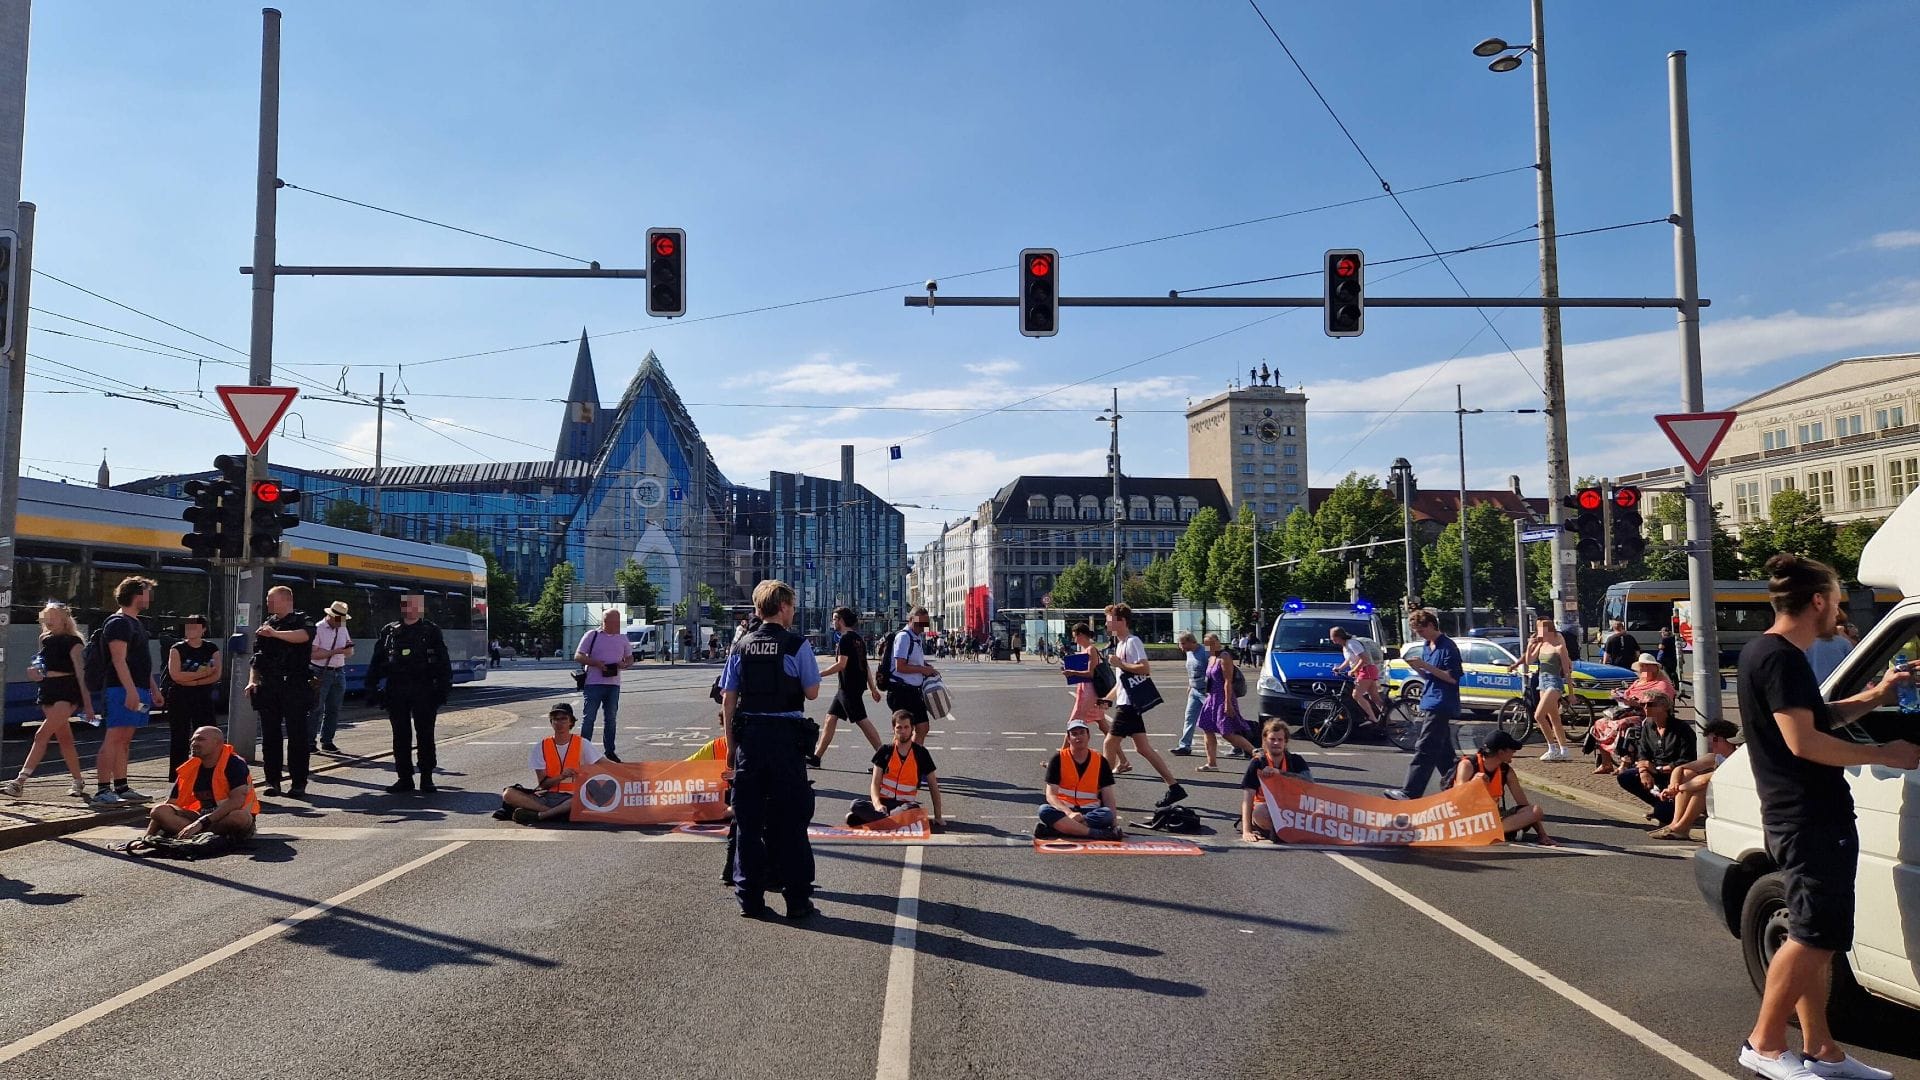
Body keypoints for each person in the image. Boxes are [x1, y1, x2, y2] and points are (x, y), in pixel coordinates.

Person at [1735, 554, 1915, 1080]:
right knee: (1815, 935)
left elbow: (1817, 718)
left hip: (1801, 814)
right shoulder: (1781, 658)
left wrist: (1875, 696)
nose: (1839, 608)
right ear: (1818, 601)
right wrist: (1886, 754)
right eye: (1836, 598)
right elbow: (1805, 741)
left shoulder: (1768, 654)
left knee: (1816, 937)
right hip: (1808, 815)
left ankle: (1822, 1050)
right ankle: (1764, 1043)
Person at [719, 580, 823, 920]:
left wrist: (732, 747)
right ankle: (797, 900)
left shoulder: (741, 646)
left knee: (748, 822)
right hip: (784, 740)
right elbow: (811, 692)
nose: (793, 612)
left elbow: (728, 699)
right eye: (791, 606)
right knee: (791, 821)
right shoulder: (796, 645)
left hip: (750, 739)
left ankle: (750, 898)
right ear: (782, 607)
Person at [1101, 604, 1188, 808]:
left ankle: (1102, 792)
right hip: (1126, 703)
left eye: (1109, 620)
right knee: (1143, 748)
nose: (1106, 624)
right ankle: (1174, 787)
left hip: (1129, 706)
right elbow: (1123, 681)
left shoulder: (1132, 642)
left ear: (1121, 621)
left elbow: (1144, 669)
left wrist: (1120, 664)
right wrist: (1107, 698)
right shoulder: (1120, 644)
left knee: (1109, 744)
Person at [365, 593, 452, 795]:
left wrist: (443, 689)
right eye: (407, 605)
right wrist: (371, 687)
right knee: (400, 736)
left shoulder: (431, 631)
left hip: (424, 689)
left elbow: (442, 661)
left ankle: (427, 777)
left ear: (421, 609)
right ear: (402, 607)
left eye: (415, 605)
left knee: (425, 735)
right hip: (397, 689)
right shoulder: (389, 631)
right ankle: (404, 778)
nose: (411, 609)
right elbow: (377, 661)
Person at [4, 602, 91, 800]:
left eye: (54, 616)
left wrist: (87, 702)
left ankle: (20, 781)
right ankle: (78, 781)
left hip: (67, 691)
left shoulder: (74, 642)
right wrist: (35, 672)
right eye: (46, 616)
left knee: (41, 735)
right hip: (48, 690)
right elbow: (40, 663)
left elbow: (80, 673)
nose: (49, 620)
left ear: (64, 618)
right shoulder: (45, 639)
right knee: (64, 739)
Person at [95, 576, 163, 805]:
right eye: (147, 592)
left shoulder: (135, 623)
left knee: (124, 740)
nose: (150, 597)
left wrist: (152, 687)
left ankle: (121, 786)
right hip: (120, 689)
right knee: (114, 737)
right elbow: (118, 660)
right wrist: (131, 691)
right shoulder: (119, 623)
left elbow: (140, 662)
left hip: (136, 688)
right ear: (136, 595)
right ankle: (103, 790)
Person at [1384, 609, 1462, 801]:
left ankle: (1410, 792)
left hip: (1441, 703)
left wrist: (1426, 666)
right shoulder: (1428, 646)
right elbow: (1430, 676)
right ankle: (1459, 786)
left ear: (1430, 625)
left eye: (1420, 631)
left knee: (1425, 747)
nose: (1419, 635)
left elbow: (1452, 678)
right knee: (1444, 753)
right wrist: (1417, 667)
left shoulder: (1448, 647)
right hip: (1429, 699)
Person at [247, 585, 314, 798]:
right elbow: (256, 658)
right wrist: (253, 681)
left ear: (287, 600)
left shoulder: (302, 620)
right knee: (270, 737)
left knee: (297, 736)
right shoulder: (267, 624)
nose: (268, 603)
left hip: (294, 685)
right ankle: (272, 781)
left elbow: (304, 637)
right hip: (270, 686)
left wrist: (274, 634)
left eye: (271, 599)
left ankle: (298, 782)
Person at [141, 725, 259, 843]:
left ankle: (198, 836)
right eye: (192, 740)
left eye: (200, 739)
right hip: (200, 819)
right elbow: (171, 803)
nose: (194, 743)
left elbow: (237, 800)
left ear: (217, 743)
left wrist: (201, 823)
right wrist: (146, 838)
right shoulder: (190, 768)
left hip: (225, 817)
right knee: (159, 811)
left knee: (240, 817)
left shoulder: (234, 763)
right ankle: (204, 838)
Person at [497, 702, 602, 825]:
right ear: (551, 722)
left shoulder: (582, 743)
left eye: (564, 719)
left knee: (586, 797)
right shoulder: (542, 746)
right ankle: (555, 814)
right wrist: (562, 776)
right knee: (508, 794)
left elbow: (604, 763)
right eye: (555, 719)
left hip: (572, 797)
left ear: (571, 722)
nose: (559, 723)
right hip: (547, 796)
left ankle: (542, 815)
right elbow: (543, 785)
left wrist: (629, 773)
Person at [1452, 730, 1556, 845]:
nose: (1514, 752)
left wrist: (1542, 835)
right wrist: (1473, 783)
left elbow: (1523, 803)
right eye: (1511, 749)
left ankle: (1489, 832)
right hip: (1464, 819)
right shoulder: (1468, 765)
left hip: (1490, 821)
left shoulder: (1506, 771)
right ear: (1501, 752)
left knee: (1536, 811)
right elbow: (1457, 799)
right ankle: (1489, 831)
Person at [846, 710, 946, 828]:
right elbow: (875, 783)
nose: (903, 731)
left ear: (912, 728)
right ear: (893, 728)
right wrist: (877, 804)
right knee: (856, 804)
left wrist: (938, 816)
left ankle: (876, 820)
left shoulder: (921, 753)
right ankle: (889, 821)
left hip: (904, 805)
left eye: (906, 727)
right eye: (899, 727)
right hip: (883, 804)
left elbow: (933, 786)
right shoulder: (885, 751)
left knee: (913, 808)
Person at [811, 606, 881, 768]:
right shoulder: (858, 639)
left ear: (841, 620)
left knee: (862, 721)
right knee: (830, 718)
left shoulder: (844, 639)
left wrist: (818, 675)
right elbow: (865, 666)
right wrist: (872, 688)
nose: (833, 621)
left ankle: (885, 758)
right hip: (850, 686)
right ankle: (816, 757)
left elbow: (841, 665)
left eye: (835, 618)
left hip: (848, 687)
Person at [1650, 718, 1740, 840]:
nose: (1711, 745)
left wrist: (1676, 789)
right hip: (1718, 795)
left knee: (1703, 790)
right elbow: (1679, 769)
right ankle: (1675, 823)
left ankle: (1682, 827)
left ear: (1727, 740)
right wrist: (1673, 784)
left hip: (1731, 798)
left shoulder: (1736, 758)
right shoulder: (1716, 757)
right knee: (1686, 773)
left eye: (1715, 740)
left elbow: (1704, 780)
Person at [1616, 690, 1697, 825]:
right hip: (1654, 771)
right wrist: (1643, 771)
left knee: (1664, 815)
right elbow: (1642, 752)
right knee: (1625, 777)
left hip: (1674, 775)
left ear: (1664, 707)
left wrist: (1659, 769)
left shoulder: (1681, 729)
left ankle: (1670, 807)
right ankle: (1658, 802)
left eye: (1650, 704)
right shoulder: (1648, 726)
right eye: (1643, 705)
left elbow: (1687, 759)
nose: (1646, 708)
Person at [1036, 719, 1122, 841]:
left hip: (1090, 810)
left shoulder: (1100, 761)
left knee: (1107, 814)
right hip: (1065, 809)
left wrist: (1114, 824)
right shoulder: (1058, 759)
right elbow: (1051, 795)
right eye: (1074, 734)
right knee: (1044, 810)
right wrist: (1069, 813)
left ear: (1088, 736)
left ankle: (1058, 829)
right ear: (1068, 738)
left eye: (1082, 732)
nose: (1078, 737)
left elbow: (1108, 796)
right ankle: (1095, 833)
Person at [1591, 654, 1679, 775]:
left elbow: (1661, 704)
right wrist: (1618, 694)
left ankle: (1625, 763)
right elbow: (1627, 694)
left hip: (1648, 715)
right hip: (1628, 711)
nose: (1644, 669)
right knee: (1600, 723)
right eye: (1642, 667)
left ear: (1655, 668)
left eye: (1646, 666)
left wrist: (1637, 703)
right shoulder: (1638, 682)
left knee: (1622, 725)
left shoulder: (1662, 684)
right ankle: (1606, 763)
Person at [1239, 718, 1314, 843]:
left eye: (1280, 740)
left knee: (1323, 809)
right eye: (1272, 739)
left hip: (1291, 808)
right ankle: (1282, 831)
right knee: (1260, 812)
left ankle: (1288, 830)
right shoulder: (1257, 763)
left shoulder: (1296, 760)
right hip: (1266, 808)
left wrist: (1280, 773)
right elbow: (1247, 800)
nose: (1276, 743)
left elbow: (1310, 783)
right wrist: (1247, 831)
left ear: (1285, 742)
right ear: (1264, 740)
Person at [574, 608, 635, 761]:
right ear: (604, 622)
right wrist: (596, 663)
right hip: (593, 683)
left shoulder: (622, 638)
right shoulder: (592, 635)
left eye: (618, 621)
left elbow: (630, 658)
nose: (616, 624)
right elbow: (578, 655)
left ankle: (610, 751)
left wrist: (624, 664)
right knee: (589, 718)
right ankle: (584, 752)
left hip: (613, 684)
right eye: (613, 621)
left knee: (611, 718)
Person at [1511, 618, 1575, 761]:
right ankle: (1564, 750)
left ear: (1549, 630)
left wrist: (1571, 693)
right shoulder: (1541, 644)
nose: (1538, 632)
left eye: (1540, 629)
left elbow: (1567, 671)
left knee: (1538, 715)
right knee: (1554, 718)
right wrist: (1529, 647)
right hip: (1542, 681)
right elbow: (1529, 661)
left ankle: (1552, 747)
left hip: (1554, 682)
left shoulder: (1559, 647)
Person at [165, 615, 222, 772]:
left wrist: (192, 681)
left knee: (207, 734)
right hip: (179, 696)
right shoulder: (177, 648)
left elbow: (216, 674)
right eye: (188, 627)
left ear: (203, 630)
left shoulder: (211, 648)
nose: (191, 631)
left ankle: (207, 772)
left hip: (203, 696)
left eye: (195, 627)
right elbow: (175, 675)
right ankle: (178, 775)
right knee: (179, 736)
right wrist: (203, 675)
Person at [1195, 633, 1257, 771]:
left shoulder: (1224, 657)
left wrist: (1228, 703)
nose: (1209, 647)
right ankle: (1212, 764)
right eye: (1207, 644)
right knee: (1207, 729)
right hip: (1211, 698)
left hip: (1223, 698)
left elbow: (1228, 681)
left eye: (1212, 643)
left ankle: (1257, 754)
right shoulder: (1211, 658)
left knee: (1227, 733)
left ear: (1218, 643)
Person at [307, 601, 353, 753]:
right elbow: (312, 654)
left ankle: (327, 741)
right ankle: (309, 743)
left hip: (339, 671)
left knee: (334, 708)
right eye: (339, 619)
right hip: (320, 672)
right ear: (330, 616)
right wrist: (335, 651)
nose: (341, 622)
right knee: (316, 708)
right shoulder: (318, 628)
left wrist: (347, 650)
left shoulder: (343, 628)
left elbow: (349, 651)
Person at [888, 607, 938, 743]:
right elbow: (900, 666)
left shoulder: (915, 638)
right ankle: (894, 762)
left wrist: (927, 667)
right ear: (910, 620)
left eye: (924, 624)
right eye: (919, 624)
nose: (922, 628)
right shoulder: (904, 637)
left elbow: (913, 660)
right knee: (903, 732)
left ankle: (913, 759)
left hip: (912, 691)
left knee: (922, 727)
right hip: (901, 691)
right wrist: (922, 669)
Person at [1329, 626, 1383, 724]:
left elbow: (1364, 659)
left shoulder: (1352, 643)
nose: (1333, 641)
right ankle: (1388, 718)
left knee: (1356, 695)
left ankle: (1372, 718)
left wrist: (1354, 670)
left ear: (1339, 637)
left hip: (1367, 670)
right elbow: (1349, 659)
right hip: (1365, 671)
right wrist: (1340, 668)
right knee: (1374, 697)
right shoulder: (1345, 646)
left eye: (1334, 639)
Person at [1169, 632, 1206, 756]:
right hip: (1194, 691)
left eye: (1183, 643)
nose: (1181, 646)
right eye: (1180, 643)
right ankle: (1185, 746)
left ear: (1192, 642)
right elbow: (1192, 670)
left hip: (1207, 692)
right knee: (1189, 718)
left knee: (1219, 720)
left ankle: (1239, 743)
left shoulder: (1205, 652)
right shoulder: (1189, 653)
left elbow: (1213, 670)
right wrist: (1190, 684)